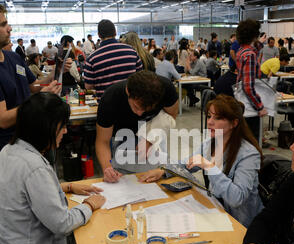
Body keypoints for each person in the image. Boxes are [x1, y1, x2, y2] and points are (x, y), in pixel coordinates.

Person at [0, 93, 106, 244]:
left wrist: (66, 187)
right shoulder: (34, 167)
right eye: (62, 126)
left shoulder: (9, 150)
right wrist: (89, 205)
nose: (65, 132)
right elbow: (62, 223)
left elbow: (25, 191)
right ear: (45, 128)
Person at [139, 95, 264, 228]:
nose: (209, 122)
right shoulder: (210, 143)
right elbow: (187, 164)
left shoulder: (248, 155)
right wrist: (163, 171)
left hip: (242, 224)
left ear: (234, 123)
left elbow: (237, 198)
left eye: (218, 118)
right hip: (218, 213)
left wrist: (210, 167)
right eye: (209, 116)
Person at [0, 1, 63, 164]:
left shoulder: (13, 57)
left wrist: (55, 73)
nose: (9, 28)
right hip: (9, 149)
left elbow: (33, 86)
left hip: (33, 138)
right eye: (3, 24)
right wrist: (40, 100)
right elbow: (2, 118)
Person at [95, 70, 178, 183]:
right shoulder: (111, 99)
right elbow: (102, 142)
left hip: (154, 133)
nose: (140, 114)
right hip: (122, 137)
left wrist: (150, 138)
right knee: (122, 181)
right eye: (136, 106)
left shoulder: (167, 90)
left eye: (146, 110)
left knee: (157, 179)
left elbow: (171, 116)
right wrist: (107, 168)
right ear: (128, 91)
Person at [84, 22, 143, 98]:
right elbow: (140, 76)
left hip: (105, 103)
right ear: (115, 32)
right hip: (130, 103)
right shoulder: (132, 51)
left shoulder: (92, 58)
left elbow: (88, 86)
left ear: (99, 35)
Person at [235, 19, 267, 141]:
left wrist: (258, 42)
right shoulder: (250, 55)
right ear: (254, 35)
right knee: (252, 143)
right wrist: (260, 106)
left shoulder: (241, 51)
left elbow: (254, 49)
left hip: (241, 103)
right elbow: (248, 86)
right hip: (250, 108)